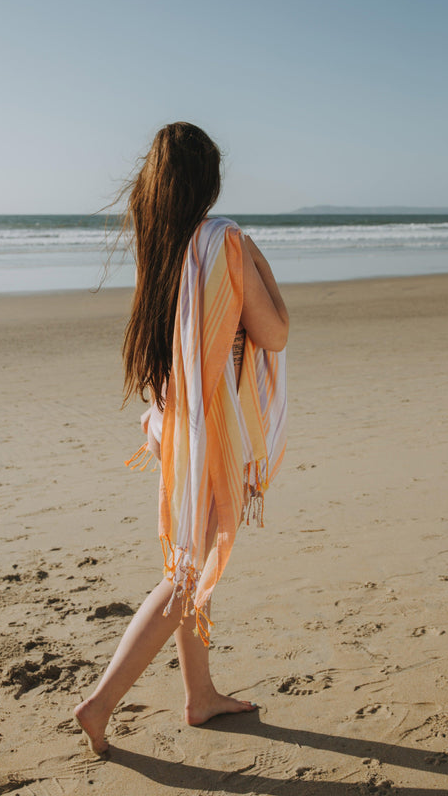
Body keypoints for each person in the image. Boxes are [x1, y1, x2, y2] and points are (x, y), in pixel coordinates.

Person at [75, 122, 289, 755]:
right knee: (187, 571)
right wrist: (257, 261)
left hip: (175, 420)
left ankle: (199, 695)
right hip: (208, 428)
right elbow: (274, 334)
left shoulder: (162, 249)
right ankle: (100, 702)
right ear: (206, 182)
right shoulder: (222, 243)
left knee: (187, 558)